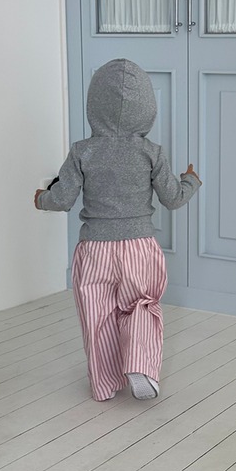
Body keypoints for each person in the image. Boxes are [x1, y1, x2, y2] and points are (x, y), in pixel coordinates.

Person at [34, 58, 201, 401]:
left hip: (95, 248)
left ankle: (105, 384)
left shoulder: (83, 151)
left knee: (97, 317)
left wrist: (41, 198)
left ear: (94, 106)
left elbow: (62, 199)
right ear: (147, 109)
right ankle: (140, 365)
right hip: (139, 247)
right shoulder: (151, 152)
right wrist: (191, 180)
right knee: (141, 305)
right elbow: (173, 198)